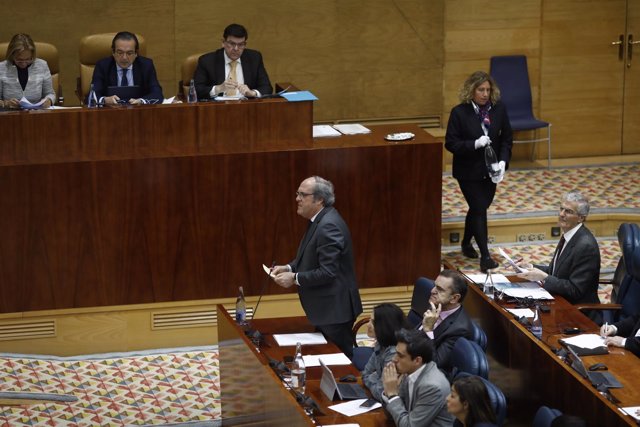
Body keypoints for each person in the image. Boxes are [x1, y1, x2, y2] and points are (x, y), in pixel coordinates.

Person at [272, 176, 362, 358]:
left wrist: (295, 278)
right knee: (326, 360)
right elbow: (310, 257)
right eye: (297, 193)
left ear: (319, 199)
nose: (297, 198)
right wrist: (289, 268)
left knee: (340, 364)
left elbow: (328, 272)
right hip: (326, 309)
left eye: (302, 195)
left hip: (334, 311)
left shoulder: (328, 226)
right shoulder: (320, 220)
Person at [445, 71, 513, 273]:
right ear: (471, 90)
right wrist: (474, 144)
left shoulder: (498, 110)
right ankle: (485, 256)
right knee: (479, 208)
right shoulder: (459, 112)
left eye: (488, 90)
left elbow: (507, 139)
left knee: (477, 208)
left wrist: (503, 162)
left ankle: (466, 242)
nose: (485, 94)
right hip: (468, 171)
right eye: (480, 90)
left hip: (491, 170)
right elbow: (451, 143)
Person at [517, 191, 601, 321]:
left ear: (581, 218)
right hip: (561, 302)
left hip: (578, 314)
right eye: (561, 209)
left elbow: (575, 290)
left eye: (568, 211)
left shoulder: (586, 246)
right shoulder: (569, 235)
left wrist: (545, 277)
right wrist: (531, 267)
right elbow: (556, 271)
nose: (561, 214)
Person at [381, 329, 454, 427]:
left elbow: (409, 425)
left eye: (400, 356)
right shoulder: (410, 371)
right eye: (396, 353)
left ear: (417, 360)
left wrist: (392, 395)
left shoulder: (432, 386)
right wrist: (388, 391)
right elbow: (392, 415)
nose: (394, 359)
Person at [193, 23, 272, 99]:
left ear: (245, 44)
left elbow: (267, 87)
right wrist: (218, 89)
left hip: (246, 107)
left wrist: (252, 93)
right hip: (217, 108)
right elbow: (196, 90)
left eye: (241, 44)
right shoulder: (207, 61)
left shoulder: (254, 58)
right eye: (232, 43)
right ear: (223, 43)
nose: (236, 49)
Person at [420, 269, 474, 377]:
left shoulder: (460, 329)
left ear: (454, 298)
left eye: (439, 289)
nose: (432, 291)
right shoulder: (436, 304)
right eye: (434, 286)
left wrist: (428, 330)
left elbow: (436, 363)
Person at [89, 31, 163, 105]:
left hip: (139, 112)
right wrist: (104, 100)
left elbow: (157, 94)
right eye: (120, 53)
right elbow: (92, 96)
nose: (124, 58)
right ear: (113, 52)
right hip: (111, 112)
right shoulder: (103, 66)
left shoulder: (146, 65)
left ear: (136, 53)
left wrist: (141, 101)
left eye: (129, 53)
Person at [362, 303, 410, 401]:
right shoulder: (381, 342)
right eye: (370, 320)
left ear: (384, 326)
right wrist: (374, 380)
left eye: (373, 322)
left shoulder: (394, 353)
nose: (368, 325)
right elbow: (365, 373)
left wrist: (371, 380)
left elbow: (382, 393)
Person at [0, 33, 56, 109]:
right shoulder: (2, 68)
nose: (24, 64)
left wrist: (49, 100)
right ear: (12, 55)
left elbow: (50, 94)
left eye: (28, 59)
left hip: (35, 114)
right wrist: (5, 103)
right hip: (9, 116)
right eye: (19, 60)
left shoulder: (42, 65)